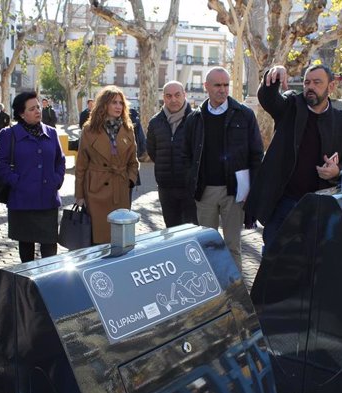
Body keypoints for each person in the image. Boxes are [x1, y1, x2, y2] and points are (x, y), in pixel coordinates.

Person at [246, 64, 342, 251]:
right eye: (307, 82)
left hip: (321, 206)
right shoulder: (290, 106)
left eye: (317, 82)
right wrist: (274, 75)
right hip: (284, 203)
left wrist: (336, 170)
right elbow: (267, 98)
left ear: (331, 87)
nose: (310, 87)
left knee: (312, 261)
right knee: (274, 258)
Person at [183, 67, 263, 270]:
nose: (222, 89)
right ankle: (211, 292)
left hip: (234, 192)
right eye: (217, 85)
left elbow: (256, 154)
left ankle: (235, 294)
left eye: (226, 84)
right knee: (206, 246)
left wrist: (252, 189)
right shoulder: (194, 118)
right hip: (205, 191)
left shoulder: (244, 115)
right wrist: (191, 182)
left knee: (232, 246)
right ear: (206, 87)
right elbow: (186, 155)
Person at [0, 91, 66, 263]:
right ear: (21, 113)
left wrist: (57, 180)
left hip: (48, 200)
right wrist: (17, 182)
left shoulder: (51, 132)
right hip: (22, 201)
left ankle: (48, 285)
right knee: (26, 252)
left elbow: (60, 160)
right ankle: (27, 286)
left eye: (38, 107)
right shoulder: (8, 134)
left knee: (50, 251)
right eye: (32, 108)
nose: (38, 111)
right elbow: (1, 164)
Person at [75, 85, 139, 244]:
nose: (118, 106)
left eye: (121, 103)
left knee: (119, 238)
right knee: (98, 238)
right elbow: (81, 165)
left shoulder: (128, 129)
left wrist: (129, 180)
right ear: (104, 105)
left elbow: (133, 161)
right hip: (96, 190)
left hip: (120, 189)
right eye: (114, 102)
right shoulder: (89, 130)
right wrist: (79, 195)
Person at [147, 80, 197, 228]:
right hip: (166, 188)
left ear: (184, 95)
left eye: (177, 95)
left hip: (190, 188)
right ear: (163, 97)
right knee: (171, 230)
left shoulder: (197, 119)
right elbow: (152, 151)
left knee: (190, 230)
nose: (173, 99)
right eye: (168, 96)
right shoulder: (155, 122)